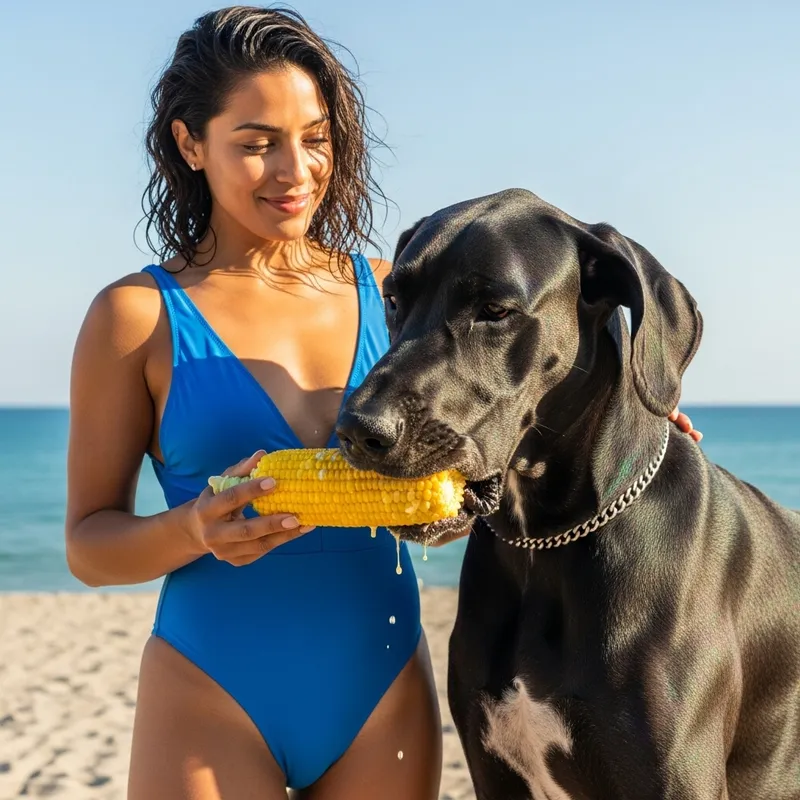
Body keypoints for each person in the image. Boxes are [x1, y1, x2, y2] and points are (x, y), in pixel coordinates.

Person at [64, 6, 702, 799]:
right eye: (257, 143)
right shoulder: (136, 316)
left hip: (381, 691)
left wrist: (634, 416)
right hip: (211, 689)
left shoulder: (395, 292)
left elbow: (511, 407)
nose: (295, 170)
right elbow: (89, 545)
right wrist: (192, 528)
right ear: (191, 143)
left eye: (315, 137)